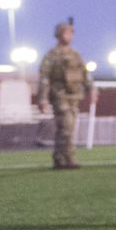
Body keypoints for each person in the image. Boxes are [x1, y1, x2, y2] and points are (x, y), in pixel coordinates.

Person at [34, 21, 94, 169]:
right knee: (66, 125)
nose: (69, 36)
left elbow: (85, 74)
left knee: (68, 127)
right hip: (59, 95)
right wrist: (42, 98)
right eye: (66, 33)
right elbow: (44, 78)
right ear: (59, 35)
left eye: (71, 33)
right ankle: (68, 157)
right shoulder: (52, 55)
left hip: (74, 95)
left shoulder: (76, 55)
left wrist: (91, 89)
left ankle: (59, 157)